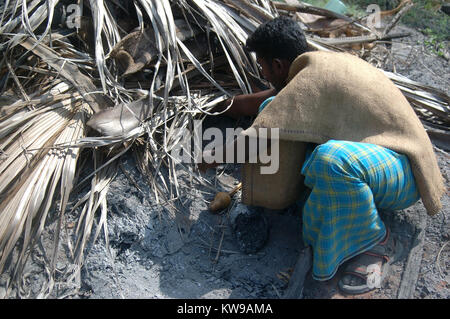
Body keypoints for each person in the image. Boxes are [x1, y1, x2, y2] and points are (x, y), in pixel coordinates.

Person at [201, 16, 422, 295]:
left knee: (329, 160)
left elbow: (259, 137)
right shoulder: (312, 68)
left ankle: (378, 242)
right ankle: (348, 217)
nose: (263, 73)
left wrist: (211, 157)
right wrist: (219, 107)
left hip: (404, 172)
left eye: (262, 66)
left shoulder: (310, 81)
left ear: (278, 65)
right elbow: (266, 102)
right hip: (379, 165)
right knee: (305, 147)